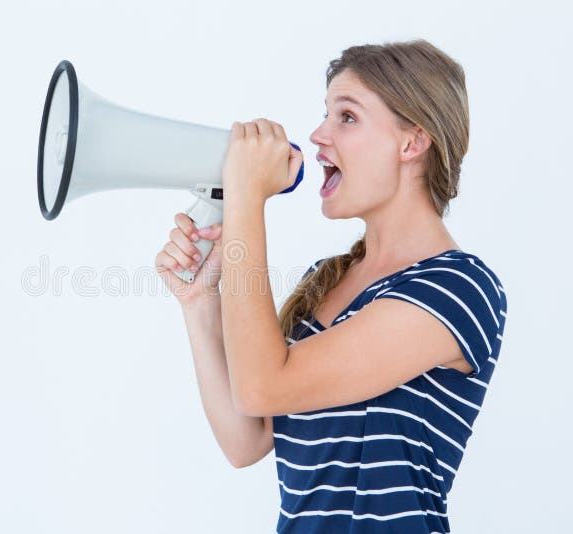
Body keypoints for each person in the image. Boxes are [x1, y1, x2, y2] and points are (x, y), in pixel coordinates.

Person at [155, 39, 507, 534]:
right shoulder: (326, 282)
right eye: (325, 114)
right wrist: (199, 302)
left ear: (412, 142)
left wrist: (246, 198)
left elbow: (261, 385)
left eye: (347, 117)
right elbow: (246, 440)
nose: (318, 134)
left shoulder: (457, 289)